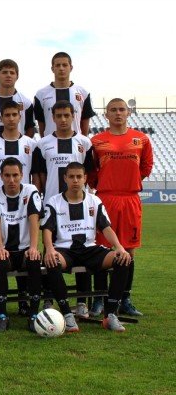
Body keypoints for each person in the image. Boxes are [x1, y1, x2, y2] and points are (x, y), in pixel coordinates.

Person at [41, 162, 132, 332]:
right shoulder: (54, 201)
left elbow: (106, 228)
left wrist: (119, 247)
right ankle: (67, 314)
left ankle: (110, 315)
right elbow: (47, 229)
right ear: (65, 178)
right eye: (71, 177)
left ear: (85, 178)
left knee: (124, 259)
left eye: (79, 177)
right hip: (65, 249)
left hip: (90, 249)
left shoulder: (94, 200)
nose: (75, 180)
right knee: (52, 261)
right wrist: (50, 249)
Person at [88, 98, 154, 317]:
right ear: (106, 114)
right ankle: (99, 299)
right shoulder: (97, 141)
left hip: (130, 198)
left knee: (129, 249)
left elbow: (146, 166)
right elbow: (92, 171)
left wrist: (130, 181)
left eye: (122, 109)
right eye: (113, 110)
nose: (118, 113)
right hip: (105, 198)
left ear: (128, 113)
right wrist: (104, 185)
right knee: (101, 249)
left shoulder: (141, 139)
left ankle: (125, 298)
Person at [32, 100, 94, 314]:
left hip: (79, 203)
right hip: (53, 204)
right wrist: (41, 200)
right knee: (50, 249)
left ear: (73, 115)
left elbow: (89, 173)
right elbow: (39, 175)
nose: (63, 119)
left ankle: (82, 301)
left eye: (67, 115)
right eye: (58, 116)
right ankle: (49, 298)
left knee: (83, 244)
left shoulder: (84, 143)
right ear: (53, 118)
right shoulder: (43, 144)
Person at [0, 157, 43, 331]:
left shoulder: (31, 190)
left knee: (34, 260)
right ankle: (2, 315)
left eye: (15, 175)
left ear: (22, 175)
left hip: (25, 248)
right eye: (7, 175)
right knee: (0, 261)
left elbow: (34, 218)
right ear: (1, 176)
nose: (11, 180)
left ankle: (34, 315)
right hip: (6, 250)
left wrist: (33, 247)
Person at [0, 100, 39, 197]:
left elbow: (35, 176)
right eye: (7, 115)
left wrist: (34, 198)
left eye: (14, 115)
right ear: (1, 118)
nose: (11, 118)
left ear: (20, 117)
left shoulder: (31, 144)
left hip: (23, 200)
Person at [34, 52, 95, 137]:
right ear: (52, 69)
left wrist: (81, 141)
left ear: (71, 68)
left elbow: (85, 123)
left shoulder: (83, 93)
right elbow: (41, 125)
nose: (61, 68)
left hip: (75, 144)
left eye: (65, 65)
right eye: (58, 65)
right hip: (50, 144)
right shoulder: (41, 94)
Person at [0, 59, 35, 138]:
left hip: (19, 146)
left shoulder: (26, 103)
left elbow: (30, 128)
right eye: (4, 72)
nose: (8, 75)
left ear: (17, 77)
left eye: (12, 73)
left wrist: (24, 144)